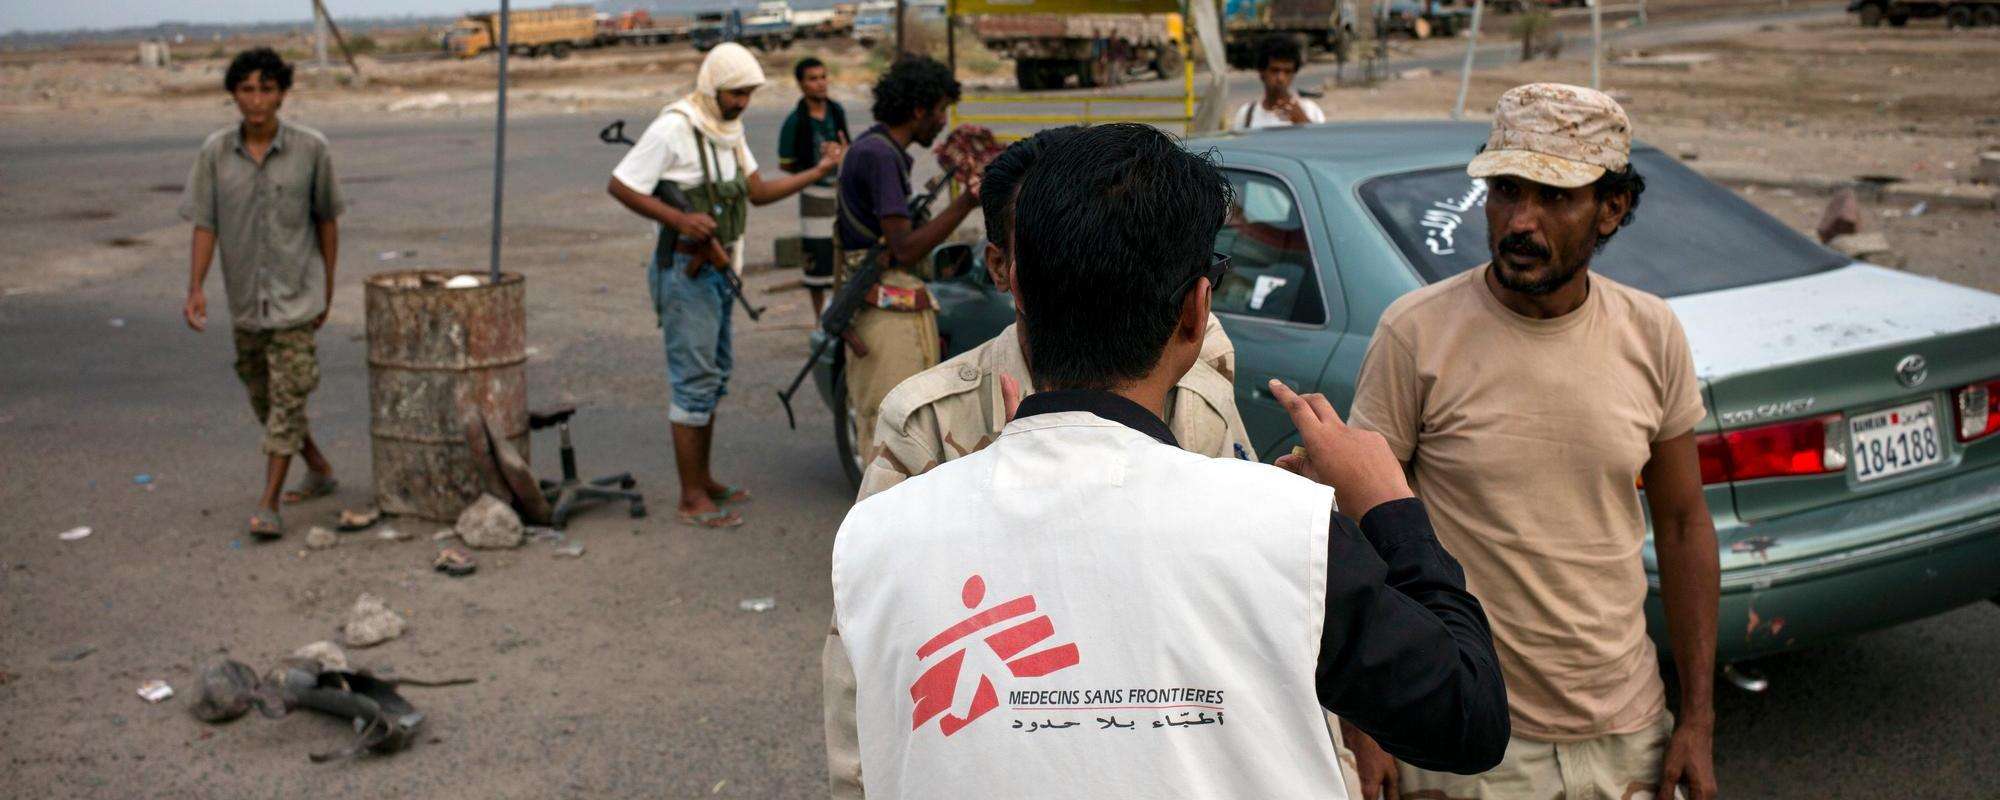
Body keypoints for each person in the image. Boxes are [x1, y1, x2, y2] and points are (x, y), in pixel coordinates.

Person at [830, 122, 1508, 798]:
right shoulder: (1280, 527)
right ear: (1196, 311)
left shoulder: (878, 536)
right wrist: (1389, 505)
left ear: (1020, 289)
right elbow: (1466, 715)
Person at [820, 126, 1297, 799]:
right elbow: (864, 654)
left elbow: (1265, 630)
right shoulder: (933, 418)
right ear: (1003, 269)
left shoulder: (1197, 389)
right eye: (1049, 247)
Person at [1347, 83, 1720, 800]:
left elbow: (1682, 526)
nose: (1520, 221)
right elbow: (1359, 535)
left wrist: (1697, 721)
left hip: (1627, 732)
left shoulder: (1652, 333)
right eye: (1506, 190)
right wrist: (1362, 728)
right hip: (1467, 734)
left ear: (1611, 208)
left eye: (1554, 198)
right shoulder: (1416, 333)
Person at [607, 42, 843, 529]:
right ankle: (691, 497)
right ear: (713, 87)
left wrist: (817, 172)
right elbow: (622, 185)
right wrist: (680, 219)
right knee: (693, 381)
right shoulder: (675, 126)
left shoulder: (728, 130)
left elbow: (756, 192)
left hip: (718, 272)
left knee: (713, 377)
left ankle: (705, 481)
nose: (742, 103)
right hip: (684, 273)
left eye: (748, 94)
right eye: (735, 93)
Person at [179, 47, 345, 540]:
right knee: (267, 400)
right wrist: (196, 287)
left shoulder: (311, 149)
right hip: (247, 301)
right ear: (233, 94)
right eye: (247, 89)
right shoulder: (214, 153)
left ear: (282, 93)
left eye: (267, 89)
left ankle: (269, 504)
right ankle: (318, 467)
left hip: (298, 298)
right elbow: (205, 224)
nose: (257, 100)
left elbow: (327, 221)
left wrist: (328, 287)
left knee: (289, 396)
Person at [833, 54, 981, 459]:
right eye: (939, 112)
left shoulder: (874, 149)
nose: (941, 123)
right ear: (918, 110)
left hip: (874, 307)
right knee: (894, 435)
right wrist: (965, 203)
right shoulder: (880, 157)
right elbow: (904, 248)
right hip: (883, 318)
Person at [778, 56, 850, 316]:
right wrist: (815, 167)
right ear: (801, 84)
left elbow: (847, 145)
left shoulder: (836, 111)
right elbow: (786, 164)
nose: (820, 84)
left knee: (841, 252)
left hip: (839, 193)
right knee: (816, 258)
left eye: (823, 77)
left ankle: (839, 313)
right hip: (812, 195)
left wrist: (840, 154)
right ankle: (820, 319)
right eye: (813, 79)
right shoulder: (795, 121)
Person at [1232, 35, 1325, 131]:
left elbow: (1323, 144)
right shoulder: (1247, 115)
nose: (1281, 78)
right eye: (1274, 70)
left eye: (1287, 72)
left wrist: (1302, 121)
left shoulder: (1310, 110)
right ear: (1261, 72)